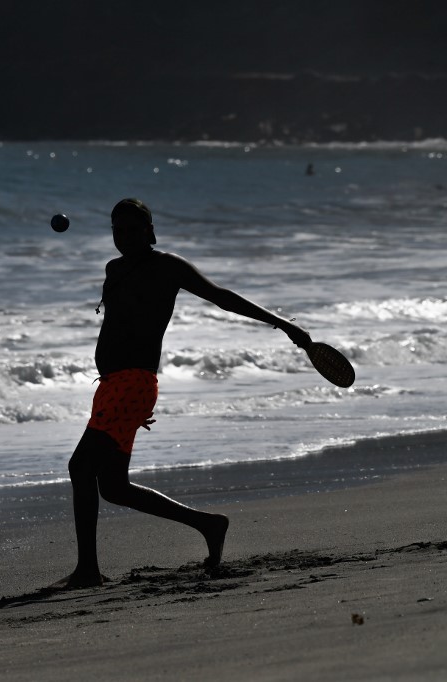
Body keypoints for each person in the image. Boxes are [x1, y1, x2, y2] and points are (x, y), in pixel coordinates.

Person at [62, 198, 311, 588]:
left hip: (132, 384)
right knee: (113, 487)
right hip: (115, 389)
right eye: (116, 230)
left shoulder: (167, 266)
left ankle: (88, 571)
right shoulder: (114, 270)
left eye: (131, 229)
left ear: (149, 230)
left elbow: (220, 296)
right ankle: (208, 525)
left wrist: (280, 322)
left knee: (81, 468)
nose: (123, 237)